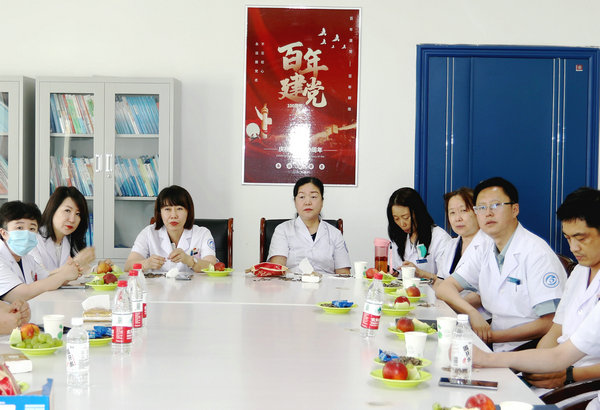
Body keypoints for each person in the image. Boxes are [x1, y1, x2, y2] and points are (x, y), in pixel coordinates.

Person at [435, 177, 566, 352]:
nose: (488, 213)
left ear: (514, 209)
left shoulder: (537, 253)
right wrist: (472, 313)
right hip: (496, 342)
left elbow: (550, 322)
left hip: (531, 347)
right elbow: (445, 288)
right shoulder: (485, 248)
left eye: (496, 205)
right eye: (481, 207)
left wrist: (491, 337)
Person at [521, 187, 600, 389]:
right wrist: (538, 365)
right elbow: (556, 330)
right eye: (568, 238)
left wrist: (569, 375)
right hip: (558, 368)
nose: (573, 248)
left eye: (581, 239)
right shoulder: (579, 272)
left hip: (586, 382)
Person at [0, 201, 82, 303]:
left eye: (32, 228)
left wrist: (70, 271)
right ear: (3, 233)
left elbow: (47, 279)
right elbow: (20, 294)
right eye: (19, 228)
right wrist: (63, 275)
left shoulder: (27, 258)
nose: (27, 233)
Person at [268, 177, 351, 275]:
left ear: (322, 202)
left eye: (313, 197)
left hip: (327, 284)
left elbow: (344, 274)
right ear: (295, 202)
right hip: (292, 283)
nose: (307, 202)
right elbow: (277, 269)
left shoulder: (335, 234)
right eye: (302, 197)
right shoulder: (283, 230)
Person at [125, 185, 217, 273]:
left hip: (194, 284)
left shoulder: (202, 233)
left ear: (188, 211)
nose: (173, 215)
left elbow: (212, 266)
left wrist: (190, 261)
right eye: (167, 209)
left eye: (179, 209)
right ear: (160, 212)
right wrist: (146, 264)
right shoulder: (148, 233)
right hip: (158, 284)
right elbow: (128, 266)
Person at [436, 188, 490, 314]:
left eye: (463, 211)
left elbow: (482, 294)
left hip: (480, 317)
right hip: (448, 313)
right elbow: (439, 281)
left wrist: (453, 306)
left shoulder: (489, 244)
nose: (457, 218)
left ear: (477, 212)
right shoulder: (451, 245)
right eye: (452, 213)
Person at [30, 186, 95, 278]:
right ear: (53, 210)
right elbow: (39, 277)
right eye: (67, 210)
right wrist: (76, 262)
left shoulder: (70, 239)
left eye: (78, 214)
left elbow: (82, 270)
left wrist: (99, 269)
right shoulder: (34, 239)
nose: (72, 219)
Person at [387, 187, 451, 280]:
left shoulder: (440, 238)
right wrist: (392, 274)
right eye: (396, 219)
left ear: (418, 212)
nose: (402, 224)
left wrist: (421, 273)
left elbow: (448, 281)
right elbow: (396, 270)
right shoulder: (398, 237)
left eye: (406, 217)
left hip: (431, 289)